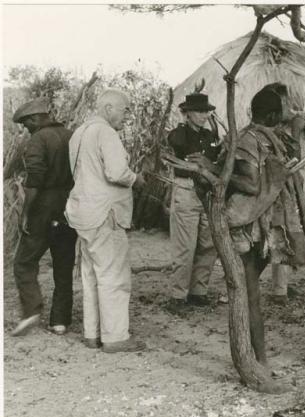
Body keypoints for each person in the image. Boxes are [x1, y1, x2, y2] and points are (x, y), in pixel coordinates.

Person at [189, 87, 305, 365]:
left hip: (251, 225)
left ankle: (257, 358)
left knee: (249, 293)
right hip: (267, 225)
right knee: (250, 290)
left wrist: (212, 168)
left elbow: (251, 184)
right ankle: (258, 356)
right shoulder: (275, 140)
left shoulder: (247, 139)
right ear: (272, 115)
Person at [65, 88, 146, 353]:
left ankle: (92, 334)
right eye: (124, 110)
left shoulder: (79, 132)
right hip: (105, 214)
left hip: (83, 212)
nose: (127, 117)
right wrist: (137, 178)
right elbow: (116, 172)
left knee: (91, 275)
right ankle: (115, 337)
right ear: (108, 108)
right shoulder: (106, 133)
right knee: (113, 275)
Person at [11, 98, 77, 337]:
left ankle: (31, 310)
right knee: (63, 263)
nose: (26, 129)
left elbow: (35, 180)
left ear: (35, 119)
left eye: (26, 124)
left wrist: (26, 213)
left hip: (44, 206)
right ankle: (60, 321)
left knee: (24, 262)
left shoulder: (38, 140)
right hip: (70, 205)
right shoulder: (73, 135)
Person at [261, 82, 305, 306]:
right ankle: (280, 291)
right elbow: (289, 156)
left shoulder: (300, 121)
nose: (287, 106)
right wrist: (296, 130)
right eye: (282, 102)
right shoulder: (271, 128)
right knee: (281, 233)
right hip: (283, 186)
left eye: (286, 101)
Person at [166, 93, 221, 314]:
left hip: (205, 190)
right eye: (199, 111)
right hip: (187, 188)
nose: (204, 115)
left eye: (206, 111)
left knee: (207, 244)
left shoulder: (210, 135)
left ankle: (199, 291)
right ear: (187, 113)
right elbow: (176, 142)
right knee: (185, 246)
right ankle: (178, 296)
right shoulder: (179, 134)